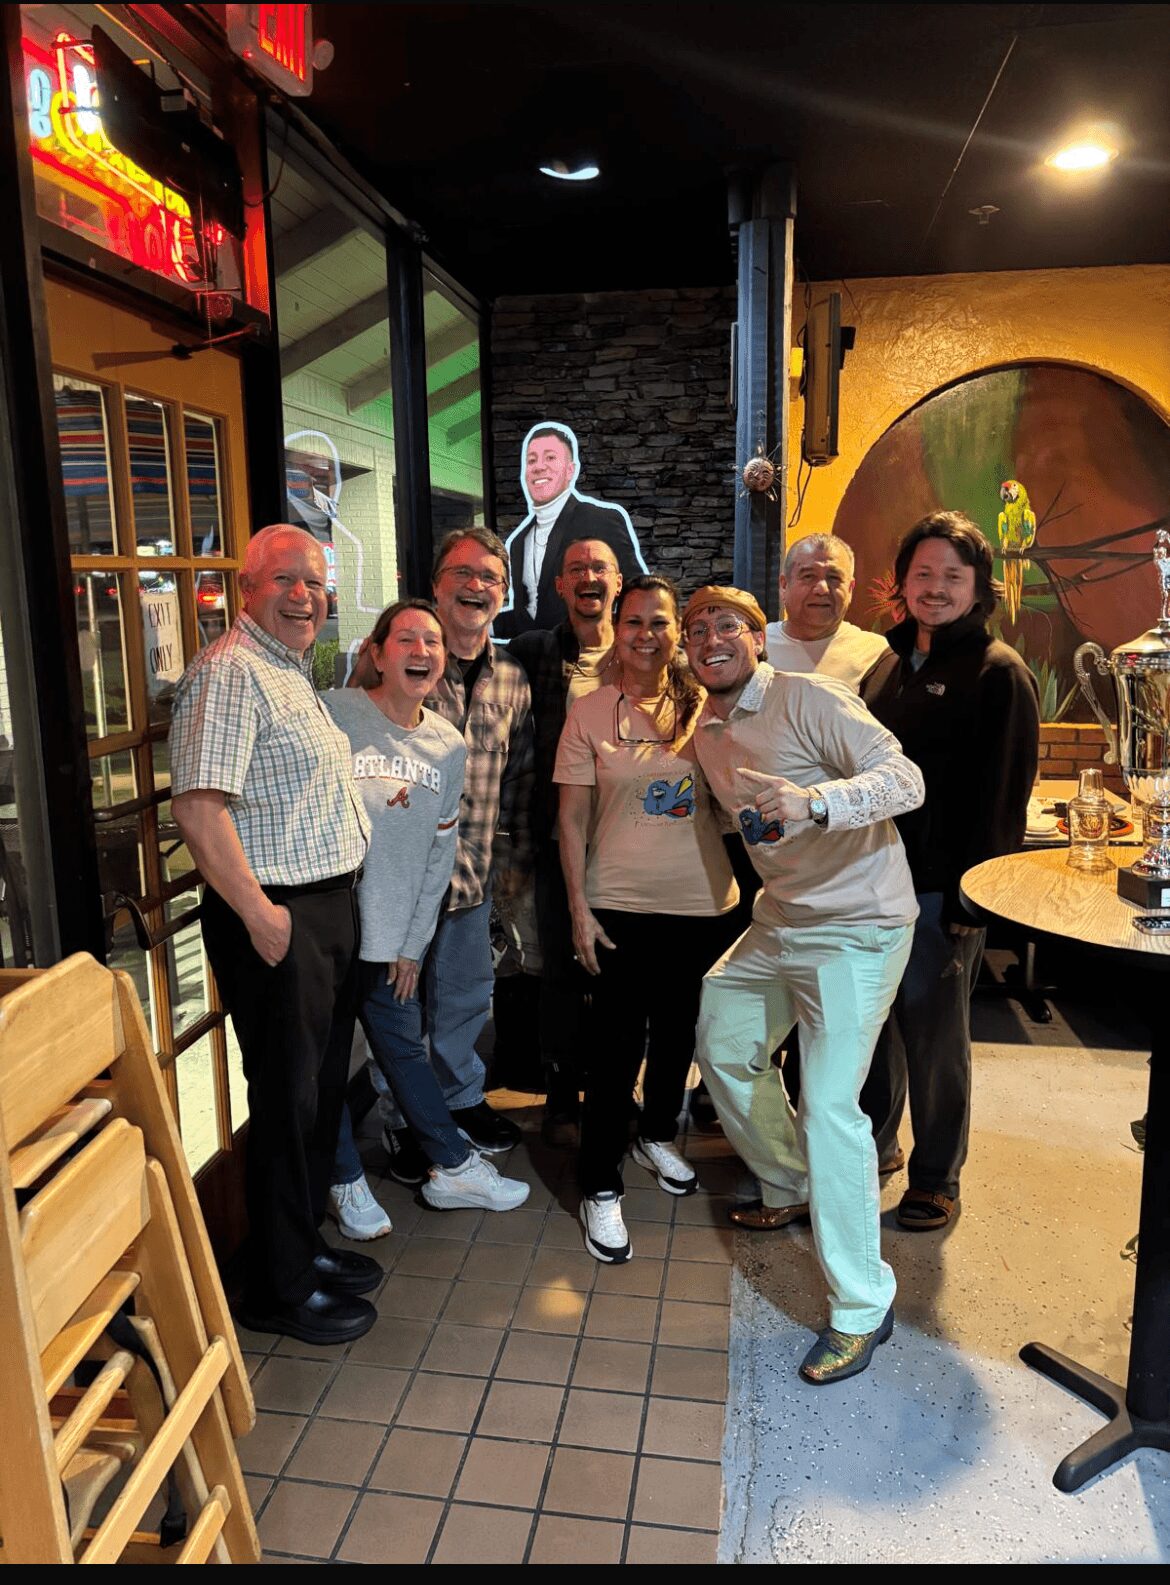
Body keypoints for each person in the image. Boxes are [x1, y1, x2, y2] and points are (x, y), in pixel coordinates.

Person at [682, 584, 924, 1384]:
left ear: (759, 636)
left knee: (829, 1106)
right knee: (721, 1031)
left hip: (859, 926)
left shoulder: (808, 696)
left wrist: (816, 800)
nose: (708, 637)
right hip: (781, 920)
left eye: (726, 625)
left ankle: (863, 1305)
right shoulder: (707, 729)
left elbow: (905, 779)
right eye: (695, 629)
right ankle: (788, 1181)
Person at [170, 524, 377, 1346]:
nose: (304, 596)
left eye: (316, 583)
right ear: (246, 587)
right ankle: (277, 1289)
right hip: (277, 915)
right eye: (285, 579)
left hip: (323, 908)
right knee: (287, 1102)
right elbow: (198, 805)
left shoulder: (288, 671)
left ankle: (298, 1246)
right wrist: (262, 916)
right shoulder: (229, 674)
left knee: (319, 1093)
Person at [859, 511, 1039, 1231]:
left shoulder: (999, 672)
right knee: (874, 1030)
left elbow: (1004, 798)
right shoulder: (888, 660)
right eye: (923, 573)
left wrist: (973, 900)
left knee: (934, 1035)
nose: (935, 588)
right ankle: (878, 1146)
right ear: (903, 581)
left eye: (952, 577)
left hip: (940, 890)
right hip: (870, 885)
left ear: (978, 587)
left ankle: (937, 1174)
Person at [325, 599, 531, 1229]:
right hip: (328, 926)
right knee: (325, 1059)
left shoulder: (446, 743)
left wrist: (413, 945)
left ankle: (450, 1165)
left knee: (403, 1051)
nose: (421, 651)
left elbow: (439, 853)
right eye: (406, 639)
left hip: (390, 937)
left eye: (432, 642)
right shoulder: (335, 715)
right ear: (378, 653)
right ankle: (346, 1178)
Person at [556, 575, 739, 1263]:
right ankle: (599, 1182)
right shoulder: (591, 711)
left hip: (703, 904)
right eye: (634, 622)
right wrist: (577, 906)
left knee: (679, 1034)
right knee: (614, 1047)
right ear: (617, 629)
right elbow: (571, 818)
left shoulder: (711, 707)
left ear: (680, 635)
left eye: (660, 623)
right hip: (619, 906)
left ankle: (656, 1131)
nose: (646, 635)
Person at [371, 528, 535, 1186]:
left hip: (469, 881)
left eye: (490, 576)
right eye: (462, 572)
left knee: (467, 999)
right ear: (435, 583)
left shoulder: (513, 677)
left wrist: (510, 862)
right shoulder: (395, 663)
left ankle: (461, 1100)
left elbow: (518, 776)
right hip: (398, 886)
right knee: (399, 1009)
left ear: (503, 591)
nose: (476, 585)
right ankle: (401, 1115)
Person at [508, 536, 623, 1143]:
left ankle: (614, 1085)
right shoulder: (532, 652)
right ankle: (559, 1096)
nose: (588, 576)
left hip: (632, 841)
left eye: (599, 567)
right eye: (575, 568)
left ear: (618, 580)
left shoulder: (641, 652)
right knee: (559, 967)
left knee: (618, 970)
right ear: (559, 586)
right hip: (558, 838)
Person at [494, 422, 647, 636]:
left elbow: (639, 595)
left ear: (570, 470)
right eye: (531, 460)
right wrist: (475, 623)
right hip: (535, 666)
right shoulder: (518, 542)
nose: (539, 466)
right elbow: (528, 619)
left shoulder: (601, 519)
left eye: (550, 457)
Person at [765, 533, 889, 688]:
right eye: (809, 576)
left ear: (850, 589)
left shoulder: (877, 656)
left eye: (834, 578)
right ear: (784, 585)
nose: (822, 589)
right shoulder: (755, 649)